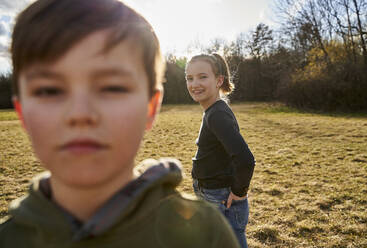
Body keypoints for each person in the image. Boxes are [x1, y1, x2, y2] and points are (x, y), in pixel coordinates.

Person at [0, 1, 241, 247]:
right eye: (49, 90)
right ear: (22, 112)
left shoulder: (204, 235)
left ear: (150, 107)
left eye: (112, 88)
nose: (80, 114)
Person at [185, 54, 256, 248]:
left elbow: (245, 159)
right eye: (189, 78)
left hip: (219, 196)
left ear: (219, 80)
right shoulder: (213, 110)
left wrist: (239, 192)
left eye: (202, 77)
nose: (194, 83)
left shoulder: (217, 114)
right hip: (211, 192)